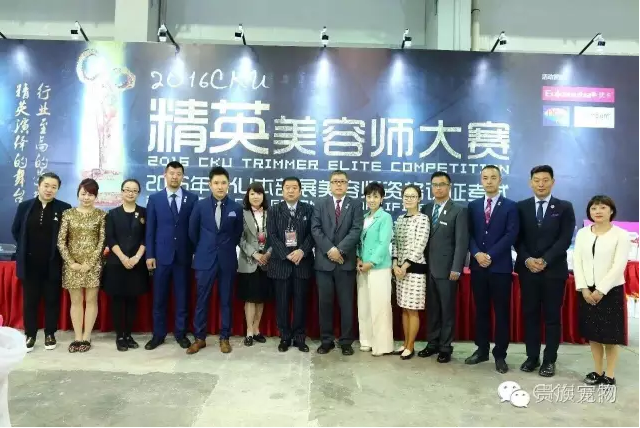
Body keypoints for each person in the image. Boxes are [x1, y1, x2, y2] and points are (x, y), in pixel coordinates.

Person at [515, 165, 575, 377]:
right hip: (528, 271)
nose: (541, 184)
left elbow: (565, 239)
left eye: (545, 180)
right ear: (530, 182)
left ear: (553, 182)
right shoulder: (521, 207)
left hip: (554, 272)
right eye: (537, 180)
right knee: (530, 315)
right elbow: (517, 238)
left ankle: (549, 360)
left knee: (552, 317)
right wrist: (528, 259)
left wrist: (545, 260)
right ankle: (532, 357)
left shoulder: (564, 207)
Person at [465, 165, 519, 373]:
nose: (489, 181)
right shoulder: (473, 205)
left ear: (500, 180)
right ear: (481, 181)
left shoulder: (510, 206)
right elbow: (469, 234)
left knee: (502, 312)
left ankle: (500, 355)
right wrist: (477, 253)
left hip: (500, 268)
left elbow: (511, 235)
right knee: (481, 311)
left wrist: (490, 255)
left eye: (493, 177)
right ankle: (481, 350)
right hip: (478, 267)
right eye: (485, 178)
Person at [11, 172, 71, 352]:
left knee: (52, 300)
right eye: (46, 185)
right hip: (29, 263)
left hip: (52, 263)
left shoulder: (64, 208)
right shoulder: (25, 206)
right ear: (39, 185)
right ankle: (30, 334)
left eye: (54, 187)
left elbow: (66, 236)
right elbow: (16, 230)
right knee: (30, 301)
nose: (49, 190)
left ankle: (50, 334)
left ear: (58, 189)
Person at [574, 195, 629, 386]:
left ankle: (610, 374)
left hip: (610, 291)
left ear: (611, 211)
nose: (598, 211)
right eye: (594, 208)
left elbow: (618, 265)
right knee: (593, 334)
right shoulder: (583, 233)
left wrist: (601, 290)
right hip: (586, 291)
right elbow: (577, 261)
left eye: (602, 207)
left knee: (610, 336)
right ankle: (597, 371)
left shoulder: (621, 235)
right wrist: (583, 288)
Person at [188, 167, 243, 354]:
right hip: (205, 260)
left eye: (223, 183)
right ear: (209, 185)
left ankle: (225, 337)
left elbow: (237, 234)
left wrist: (225, 247)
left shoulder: (236, 208)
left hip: (227, 260)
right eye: (216, 183)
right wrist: (204, 248)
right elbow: (192, 232)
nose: (220, 186)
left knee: (226, 300)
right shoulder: (200, 206)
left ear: (229, 184)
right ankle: (199, 338)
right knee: (201, 299)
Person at [145, 161, 198, 351]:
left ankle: (180, 333)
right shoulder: (155, 199)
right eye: (171, 173)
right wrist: (150, 255)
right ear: (165, 175)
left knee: (182, 297)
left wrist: (195, 252)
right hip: (161, 257)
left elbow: (194, 228)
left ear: (183, 176)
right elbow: (150, 229)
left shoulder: (192, 198)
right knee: (159, 298)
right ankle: (158, 335)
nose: (175, 177)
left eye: (178, 174)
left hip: (183, 256)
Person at [311, 170, 363, 355]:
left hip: (345, 262)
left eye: (342, 181)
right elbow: (315, 229)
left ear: (347, 184)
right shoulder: (320, 203)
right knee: (324, 304)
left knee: (346, 304)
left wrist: (339, 250)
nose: (339, 184)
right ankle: (326, 340)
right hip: (324, 264)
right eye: (335, 181)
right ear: (330, 184)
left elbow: (356, 229)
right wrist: (330, 250)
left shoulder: (355, 204)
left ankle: (346, 341)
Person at [418, 172, 468, 363]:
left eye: (442, 184)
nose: (438, 188)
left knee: (447, 310)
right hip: (427, 268)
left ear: (449, 186)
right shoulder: (426, 208)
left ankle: (445, 347)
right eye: (435, 185)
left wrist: (456, 268)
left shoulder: (459, 210)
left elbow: (461, 242)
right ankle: (432, 343)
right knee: (432, 309)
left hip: (447, 270)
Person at [57, 178, 106, 353]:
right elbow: (61, 241)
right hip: (72, 266)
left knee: (91, 300)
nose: (86, 197)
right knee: (76, 301)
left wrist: (90, 263)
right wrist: (71, 262)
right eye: (83, 193)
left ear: (96, 196)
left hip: (93, 265)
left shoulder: (101, 215)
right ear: (78, 194)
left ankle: (87, 336)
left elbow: (102, 242)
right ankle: (77, 337)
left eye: (91, 194)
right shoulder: (68, 214)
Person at [267, 177, 315, 352]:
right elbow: (272, 235)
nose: (291, 190)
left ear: (300, 191)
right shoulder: (274, 210)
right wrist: (286, 254)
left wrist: (302, 251)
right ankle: (285, 337)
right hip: (281, 264)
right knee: (282, 304)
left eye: (294, 187)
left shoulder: (309, 209)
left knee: (301, 303)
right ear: (282, 191)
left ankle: (300, 337)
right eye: (287, 187)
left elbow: (313, 234)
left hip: (302, 263)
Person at [102, 179, 148, 351]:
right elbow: (110, 238)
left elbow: (146, 237)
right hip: (116, 263)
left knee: (132, 300)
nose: (130, 193)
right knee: (118, 300)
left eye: (134, 190)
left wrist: (136, 257)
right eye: (127, 190)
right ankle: (120, 335)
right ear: (121, 192)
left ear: (138, 193)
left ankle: (128, 334)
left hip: (137, 263)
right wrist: (122, 257)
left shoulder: (144, 213)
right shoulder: (112, 214)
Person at [392, 184, 430, 360]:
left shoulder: (423, 219)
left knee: (412, 309)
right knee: (404, 308)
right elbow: (395, 243)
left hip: (414, 270)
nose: (408, 199)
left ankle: (411, 345)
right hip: (399, 270)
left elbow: (420, 246)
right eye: (406, 196)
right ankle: (405, 343)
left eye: (412, 196)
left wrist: (404, 266)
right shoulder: (400, 219)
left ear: (419, 199)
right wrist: (395, 264)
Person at [356, 182, 394, 356]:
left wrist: (371, 262)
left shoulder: (385, 217)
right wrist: (358, 258)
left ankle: (382, 345)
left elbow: (383, 243)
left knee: (380, 307)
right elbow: (359, 242)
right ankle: (366, 340)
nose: (372, 200)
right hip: (362, 267)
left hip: (378, 267)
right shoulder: (364, 217)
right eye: (369, 196)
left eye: (376, 196)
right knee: (364, 306)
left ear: (382, 198)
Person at [237, 182, 272, 347]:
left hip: (266, 261)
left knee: (260, 298)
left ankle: (257, 329)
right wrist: (254, 253)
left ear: (263, 196)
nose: (256, 196)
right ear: (248, 196)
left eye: (259, 193)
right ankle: (249, 331)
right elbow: (240, 238)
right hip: (249, 261)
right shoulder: (242, 213)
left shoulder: (270, 214)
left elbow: (275, 236)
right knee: (250, 298)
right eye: (252, 194)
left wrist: (268, 253)